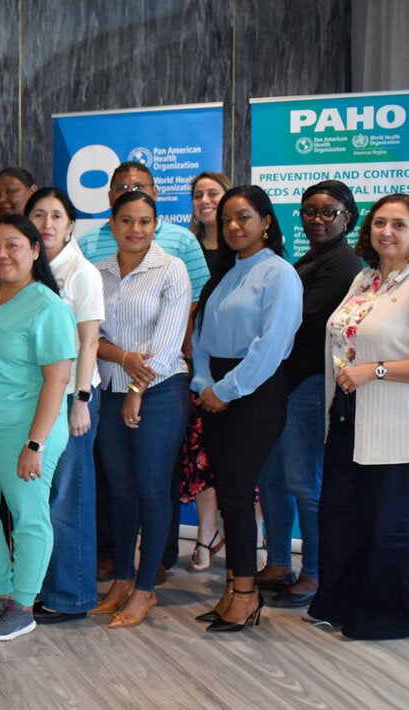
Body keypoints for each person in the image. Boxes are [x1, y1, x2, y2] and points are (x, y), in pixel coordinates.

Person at [311, 194, 409, 640]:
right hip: (350, 421)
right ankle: (339, 605)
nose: (386, 232)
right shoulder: (366, 278)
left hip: (402, 430)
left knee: (387, 530)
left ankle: (387, 617)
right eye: (379, 223)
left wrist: (375, 371)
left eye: (398, 225)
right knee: (341, 520)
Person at [0, 213, 76, 642]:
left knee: (28, 517)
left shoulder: (48, 307)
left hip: (27, 431)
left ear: (35, 250)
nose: (1, 254)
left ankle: (23, 605)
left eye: (12, 245)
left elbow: (57, 382)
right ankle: (1, 589)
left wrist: (35, 444)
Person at [190, 185, 302, 632]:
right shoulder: (225, 271)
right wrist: (204, 384)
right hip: (215, 391)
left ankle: (245, 594)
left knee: (237, 495)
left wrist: (226, 390)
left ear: (266, 221)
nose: (233, 226)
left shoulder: (279, 274)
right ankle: (234, 589)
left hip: (254, 393)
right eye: (226, 220)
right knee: (229, 496)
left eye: (244, 217)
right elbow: (200, 336)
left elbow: (271, 346)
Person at [88, 192, 192, 628]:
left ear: (156, 225)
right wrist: (123, 359)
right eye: (127, 220)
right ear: (112, 224)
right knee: (121, 490)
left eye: (145, 221)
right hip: (110, 389)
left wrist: (136, 386)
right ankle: (122, 580)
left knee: (151, 488)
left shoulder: (171, 268)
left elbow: (167, 343)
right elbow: (90, 337)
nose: (136, 229)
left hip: (160, 391)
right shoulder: (97, 273)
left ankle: (145, 588)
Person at [258, 181, 362, 609]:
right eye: (309, 211)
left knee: (304, 482)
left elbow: (302, 321)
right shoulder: (310, 259)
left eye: (328, 212)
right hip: (281, 386)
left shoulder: (344, 263)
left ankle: (316, 573)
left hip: (308, 385)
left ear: (347, 218)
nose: (317, 220)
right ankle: (279, 563)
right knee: (272, 480)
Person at [24, 187, 106, 624]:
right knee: (39, 499)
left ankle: (71, 596)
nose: (47, 224)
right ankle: (41, 587)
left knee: (68, 499)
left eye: (56, 216)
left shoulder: (81, 273)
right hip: (35, 397)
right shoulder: (27, 267)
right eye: (38, 215)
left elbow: (89, 342)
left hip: (73, 397)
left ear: (71, 225)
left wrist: (82, 400)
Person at [183, 171, 234, 573]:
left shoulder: (245, 249)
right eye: (198, 194)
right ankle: (206, 533)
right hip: (193, 367)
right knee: (199, 455)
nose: (205, 200)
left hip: (237, 370)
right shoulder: (187, 248)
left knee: (239, 458)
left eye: (213, 193)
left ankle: (248, 539)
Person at [76, 161, 210, 300]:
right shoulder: (86, 244)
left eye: (139, 186)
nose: (130, 193)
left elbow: (198, 300)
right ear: (110, 197)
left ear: (155, 193)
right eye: (122, 187)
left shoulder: (183, 240)